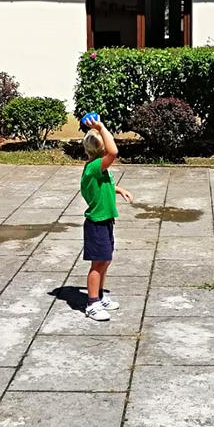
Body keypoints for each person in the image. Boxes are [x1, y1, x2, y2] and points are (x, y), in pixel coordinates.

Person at [80, 116, 133, 321]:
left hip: (105, 221)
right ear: (101, 151)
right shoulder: (95, 167)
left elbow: (104, 185)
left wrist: (119, 190)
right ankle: (92, 303)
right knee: (98, 264)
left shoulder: (99, 170)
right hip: (96, 223)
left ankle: (99, 297)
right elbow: (114, 151)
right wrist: (102, 127)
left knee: (106, 260)